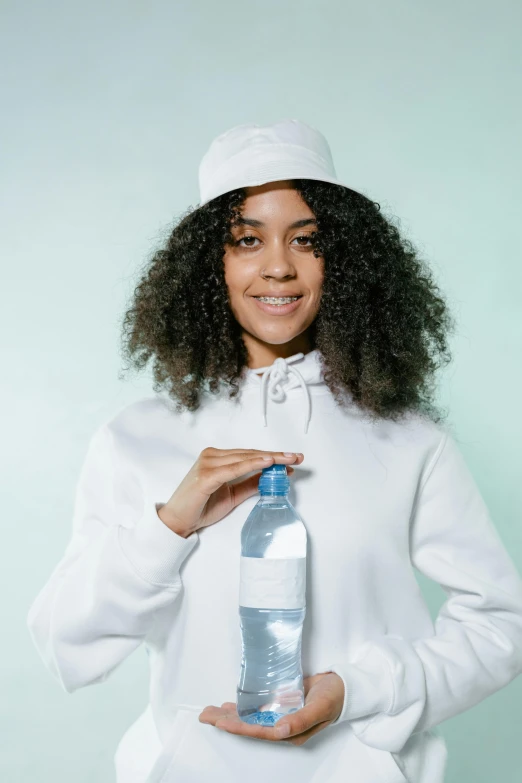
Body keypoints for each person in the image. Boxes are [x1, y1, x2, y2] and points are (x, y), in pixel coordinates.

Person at [27, 119, 522, 783]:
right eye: (246, 240)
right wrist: (169, 523)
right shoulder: (136, 438)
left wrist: (360, 690)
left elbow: (500, 623)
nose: (279, 266)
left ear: (340, 259)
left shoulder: (411, 440)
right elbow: (66, 649)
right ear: (211, 264)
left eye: (307, 240)